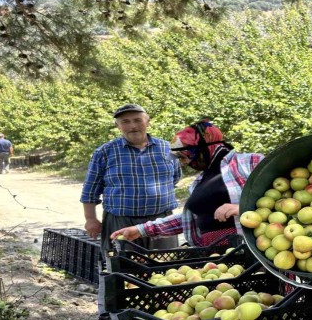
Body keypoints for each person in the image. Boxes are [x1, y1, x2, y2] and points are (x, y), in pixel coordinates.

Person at [110, 120, 263, 247]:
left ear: (202, 149)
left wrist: (243, 209)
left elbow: (282, 202)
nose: (183, 163)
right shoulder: (199, 181)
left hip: (247, 251)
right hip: (215, 259)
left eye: (184, 157)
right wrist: (141, 230)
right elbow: (188, 220)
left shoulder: (249, 162)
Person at [80, 104, 181, 257]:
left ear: (147, 122)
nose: (132, 126)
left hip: (162, 222)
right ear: (118, 126)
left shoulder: (168, 149)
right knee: (123, 271)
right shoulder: (105, 152)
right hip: (120, 222)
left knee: (166, 267)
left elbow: (174, 178)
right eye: (125, 122)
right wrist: (91, 219)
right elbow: (90, 191)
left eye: (137, 120)